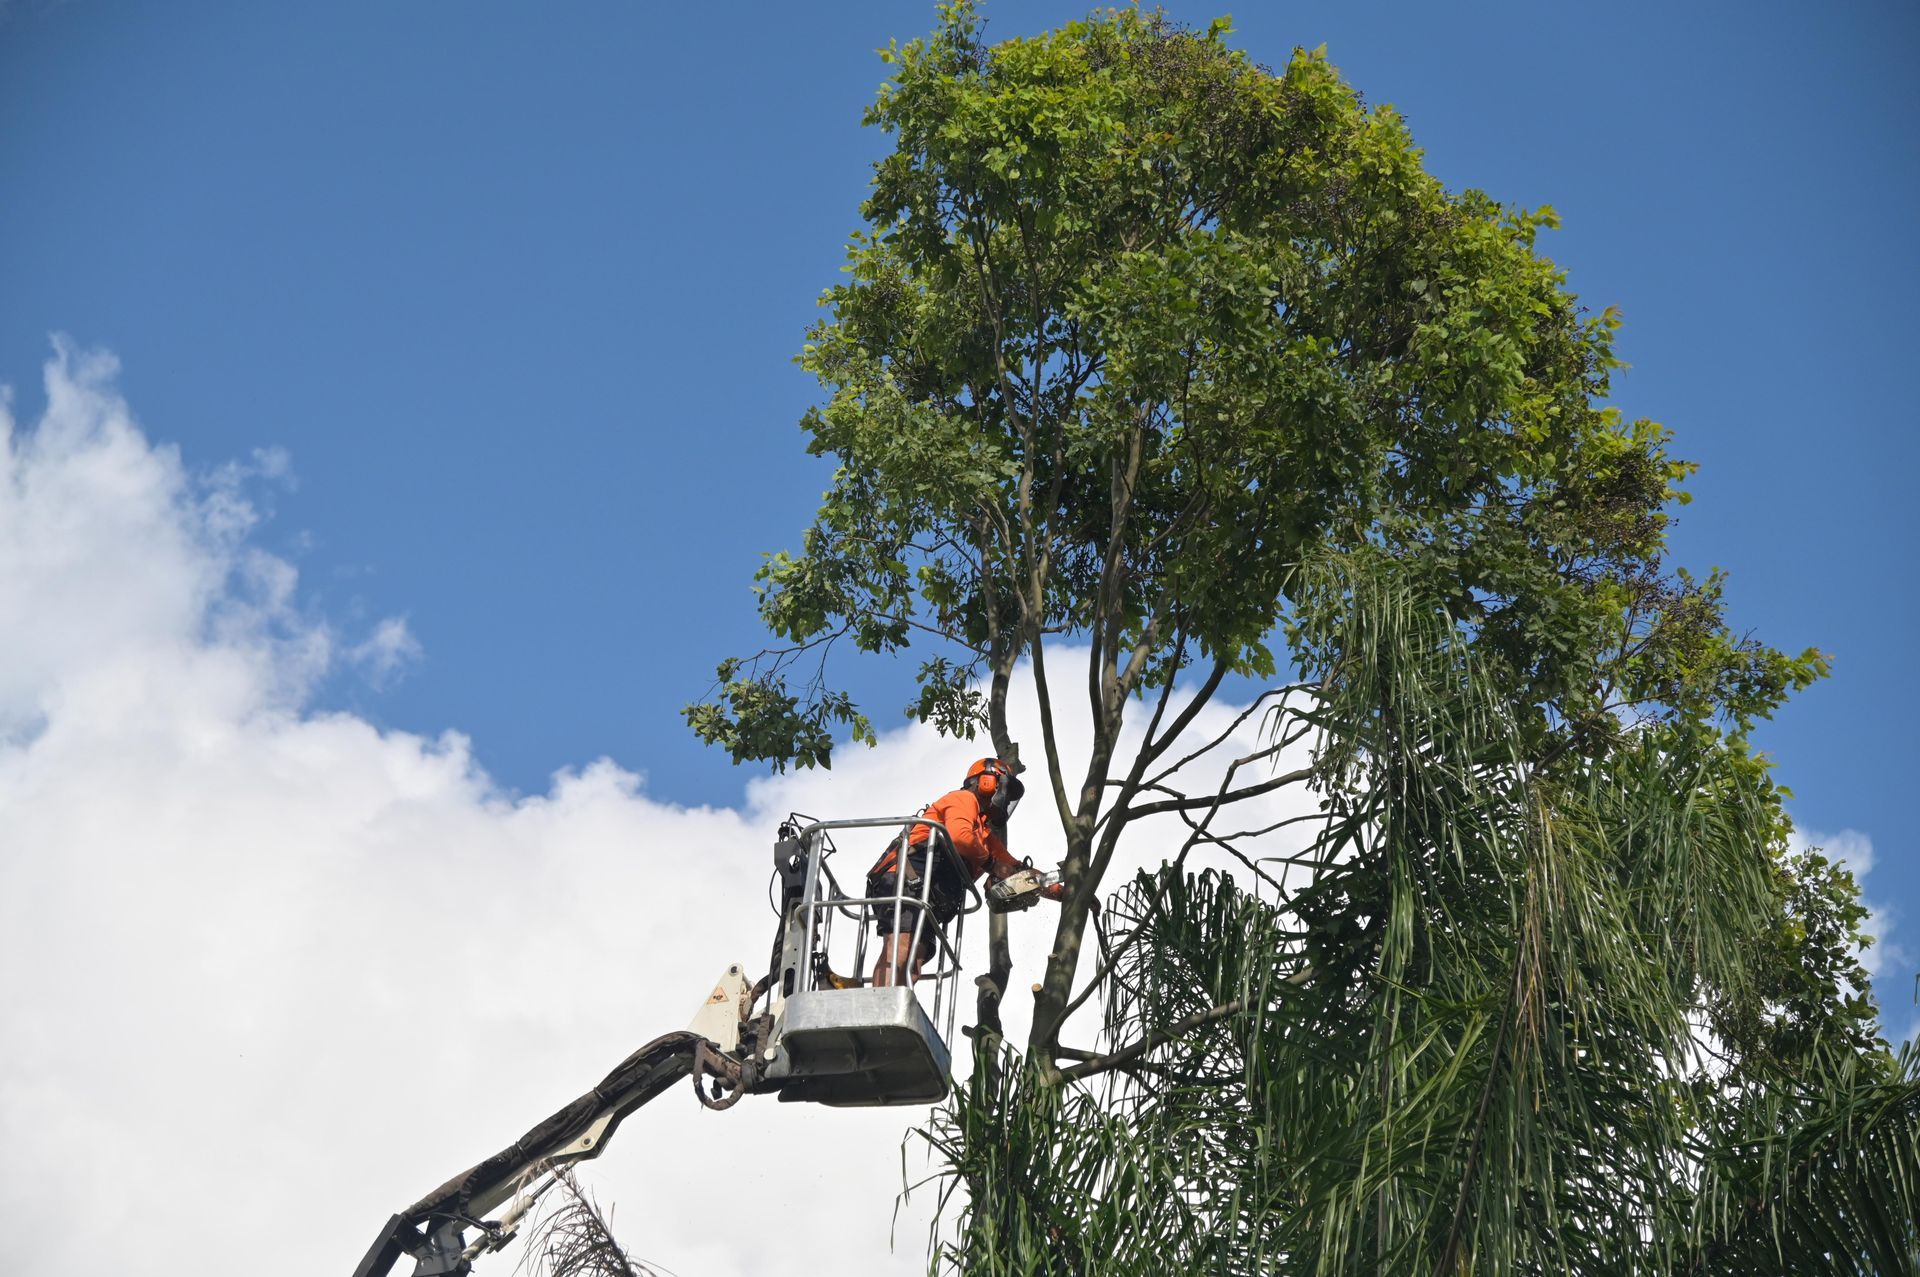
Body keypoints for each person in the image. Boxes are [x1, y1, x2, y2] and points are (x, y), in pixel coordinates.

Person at [866, 757, 1061, 987]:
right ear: (986, 781)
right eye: (1005, 788)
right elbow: (959, 837)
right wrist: (992, 864)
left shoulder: (986, 836)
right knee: (900, 947)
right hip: (905, 877)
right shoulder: (963, 799)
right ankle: (881, 1009)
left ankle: (893, 1014)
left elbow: (1019, 873)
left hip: (927, 896)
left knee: (914, 963)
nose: (1005, 798)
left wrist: (1067, 892)